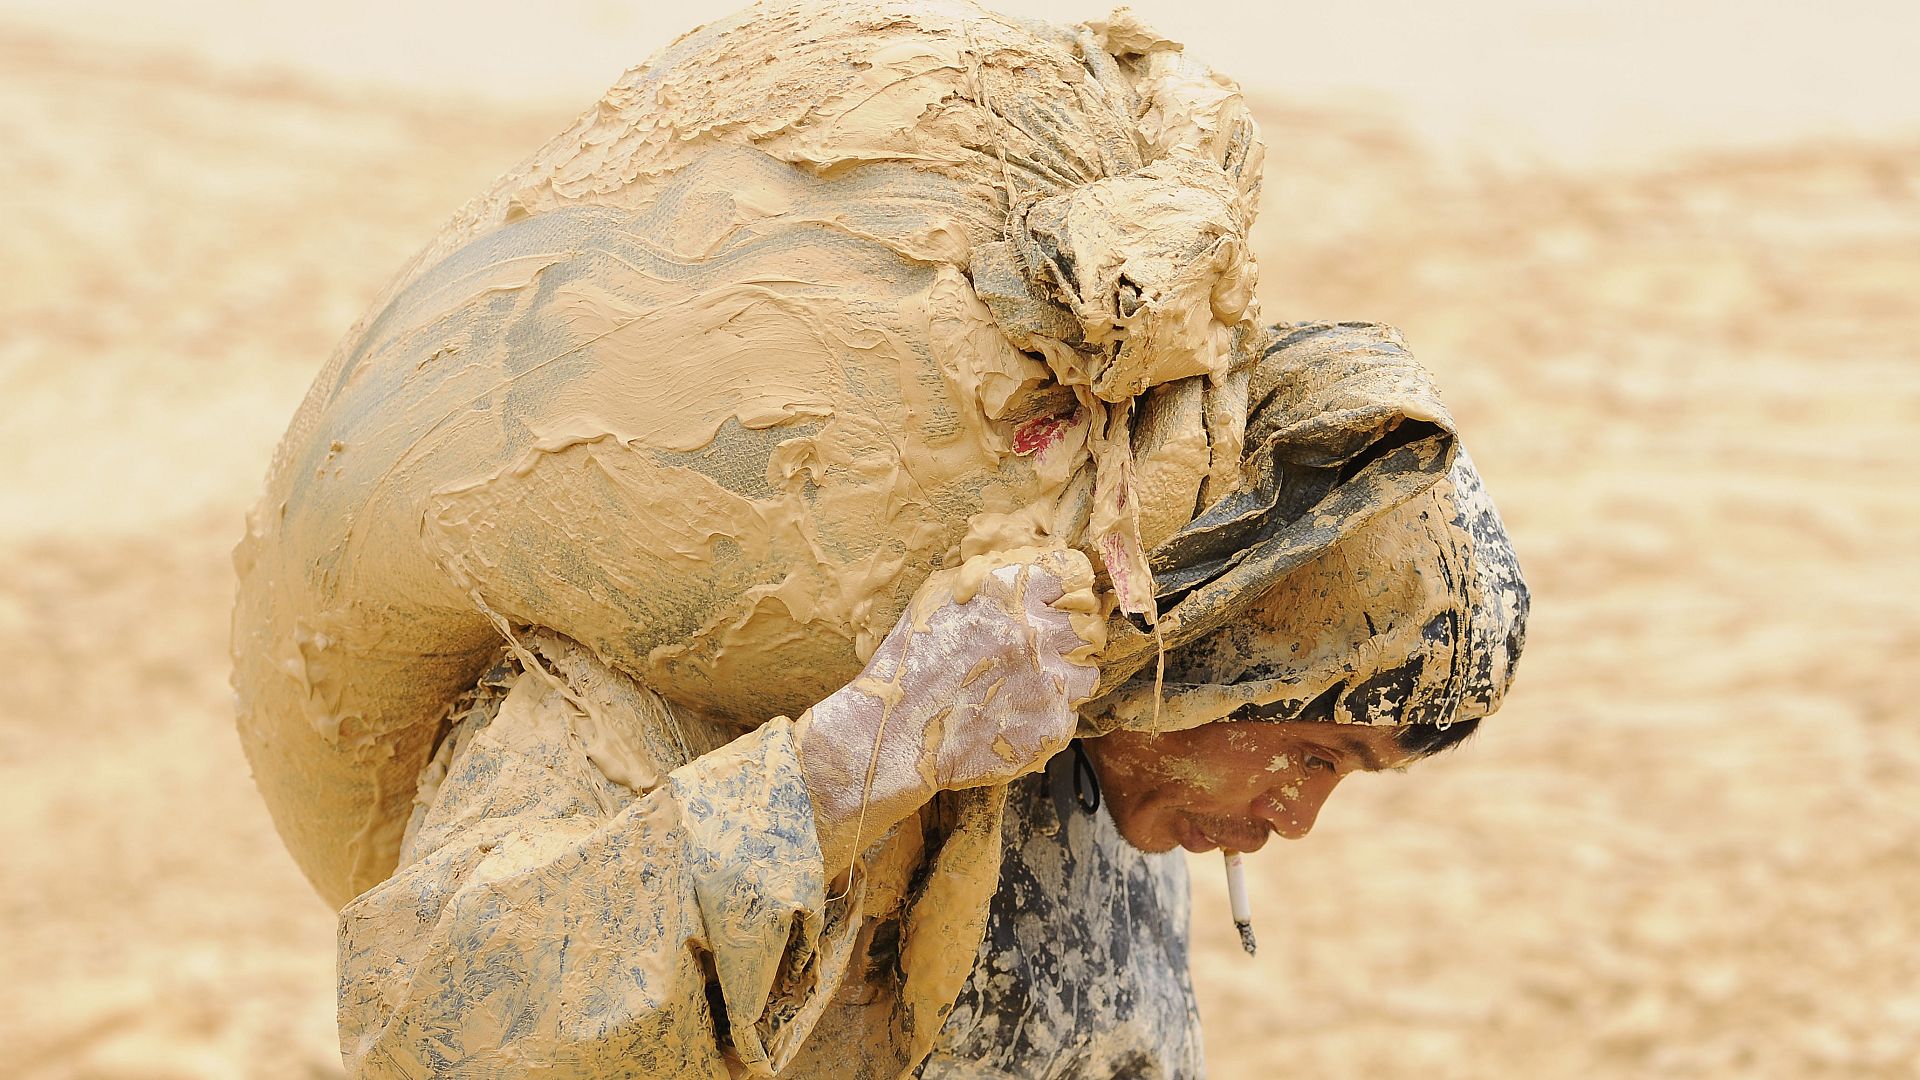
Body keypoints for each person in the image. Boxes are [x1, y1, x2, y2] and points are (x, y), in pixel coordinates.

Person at [334, 320, 1528, 1079]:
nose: (1295, 817)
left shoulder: (1092, 733)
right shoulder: (684, 671)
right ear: (1226, 647)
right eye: (1311, 751)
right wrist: (857, 758)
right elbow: (429, 1028)